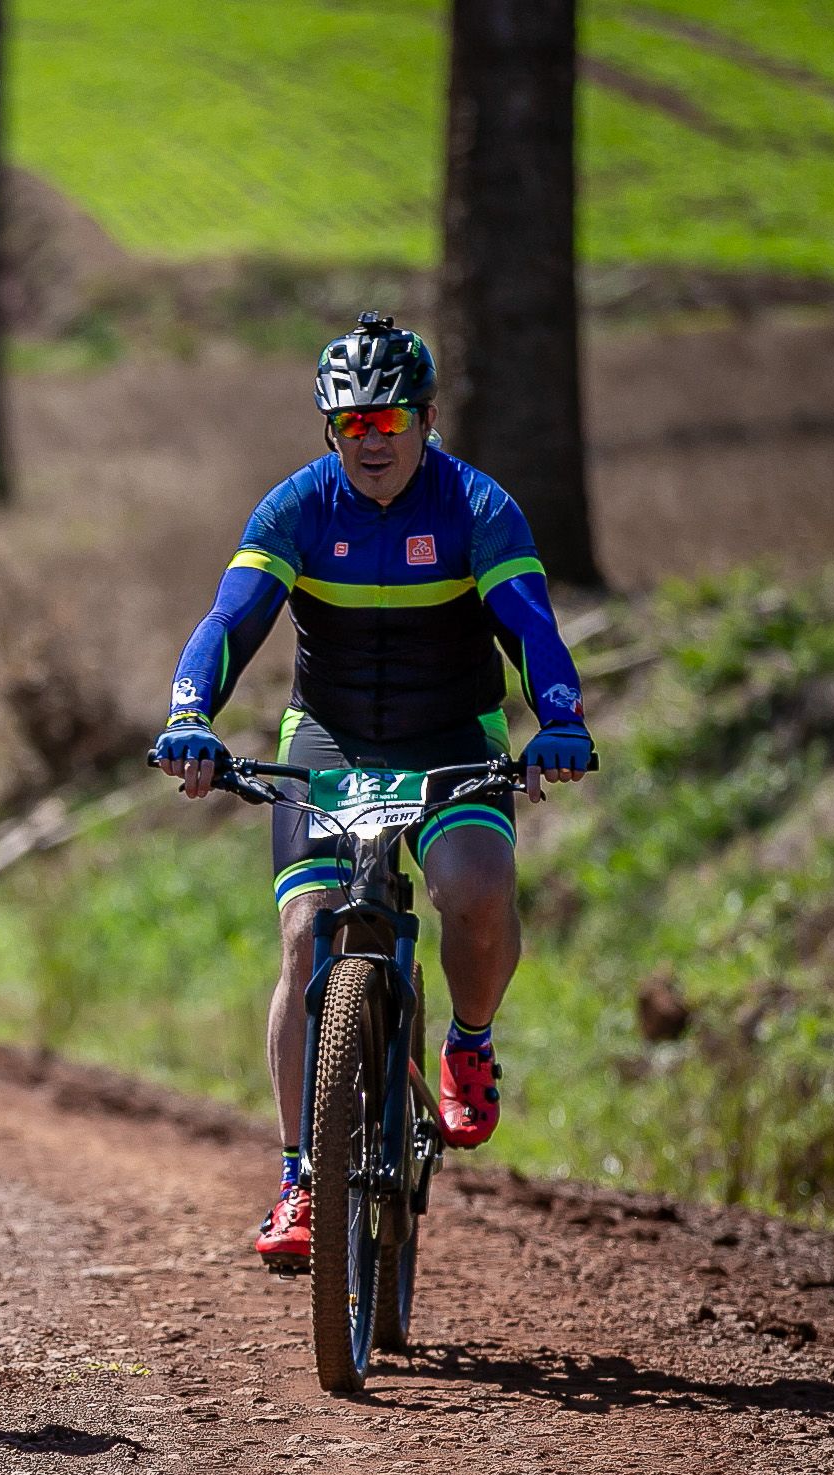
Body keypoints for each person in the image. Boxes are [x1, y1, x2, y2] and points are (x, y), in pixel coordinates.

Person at [149, 313, 596, 1268]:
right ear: (329, 430)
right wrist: (190, 715)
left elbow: (529, 626)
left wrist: (558, 718)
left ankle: (469, 1041)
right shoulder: (297, 508)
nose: (372, 441)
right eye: (351, 424)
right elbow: (229, 621)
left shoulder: (477, 507)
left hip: (451, 734)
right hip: (330, 738)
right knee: (305, 934)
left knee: (475, 887)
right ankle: (300, 1179)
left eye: (390, 420)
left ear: (428, 419)